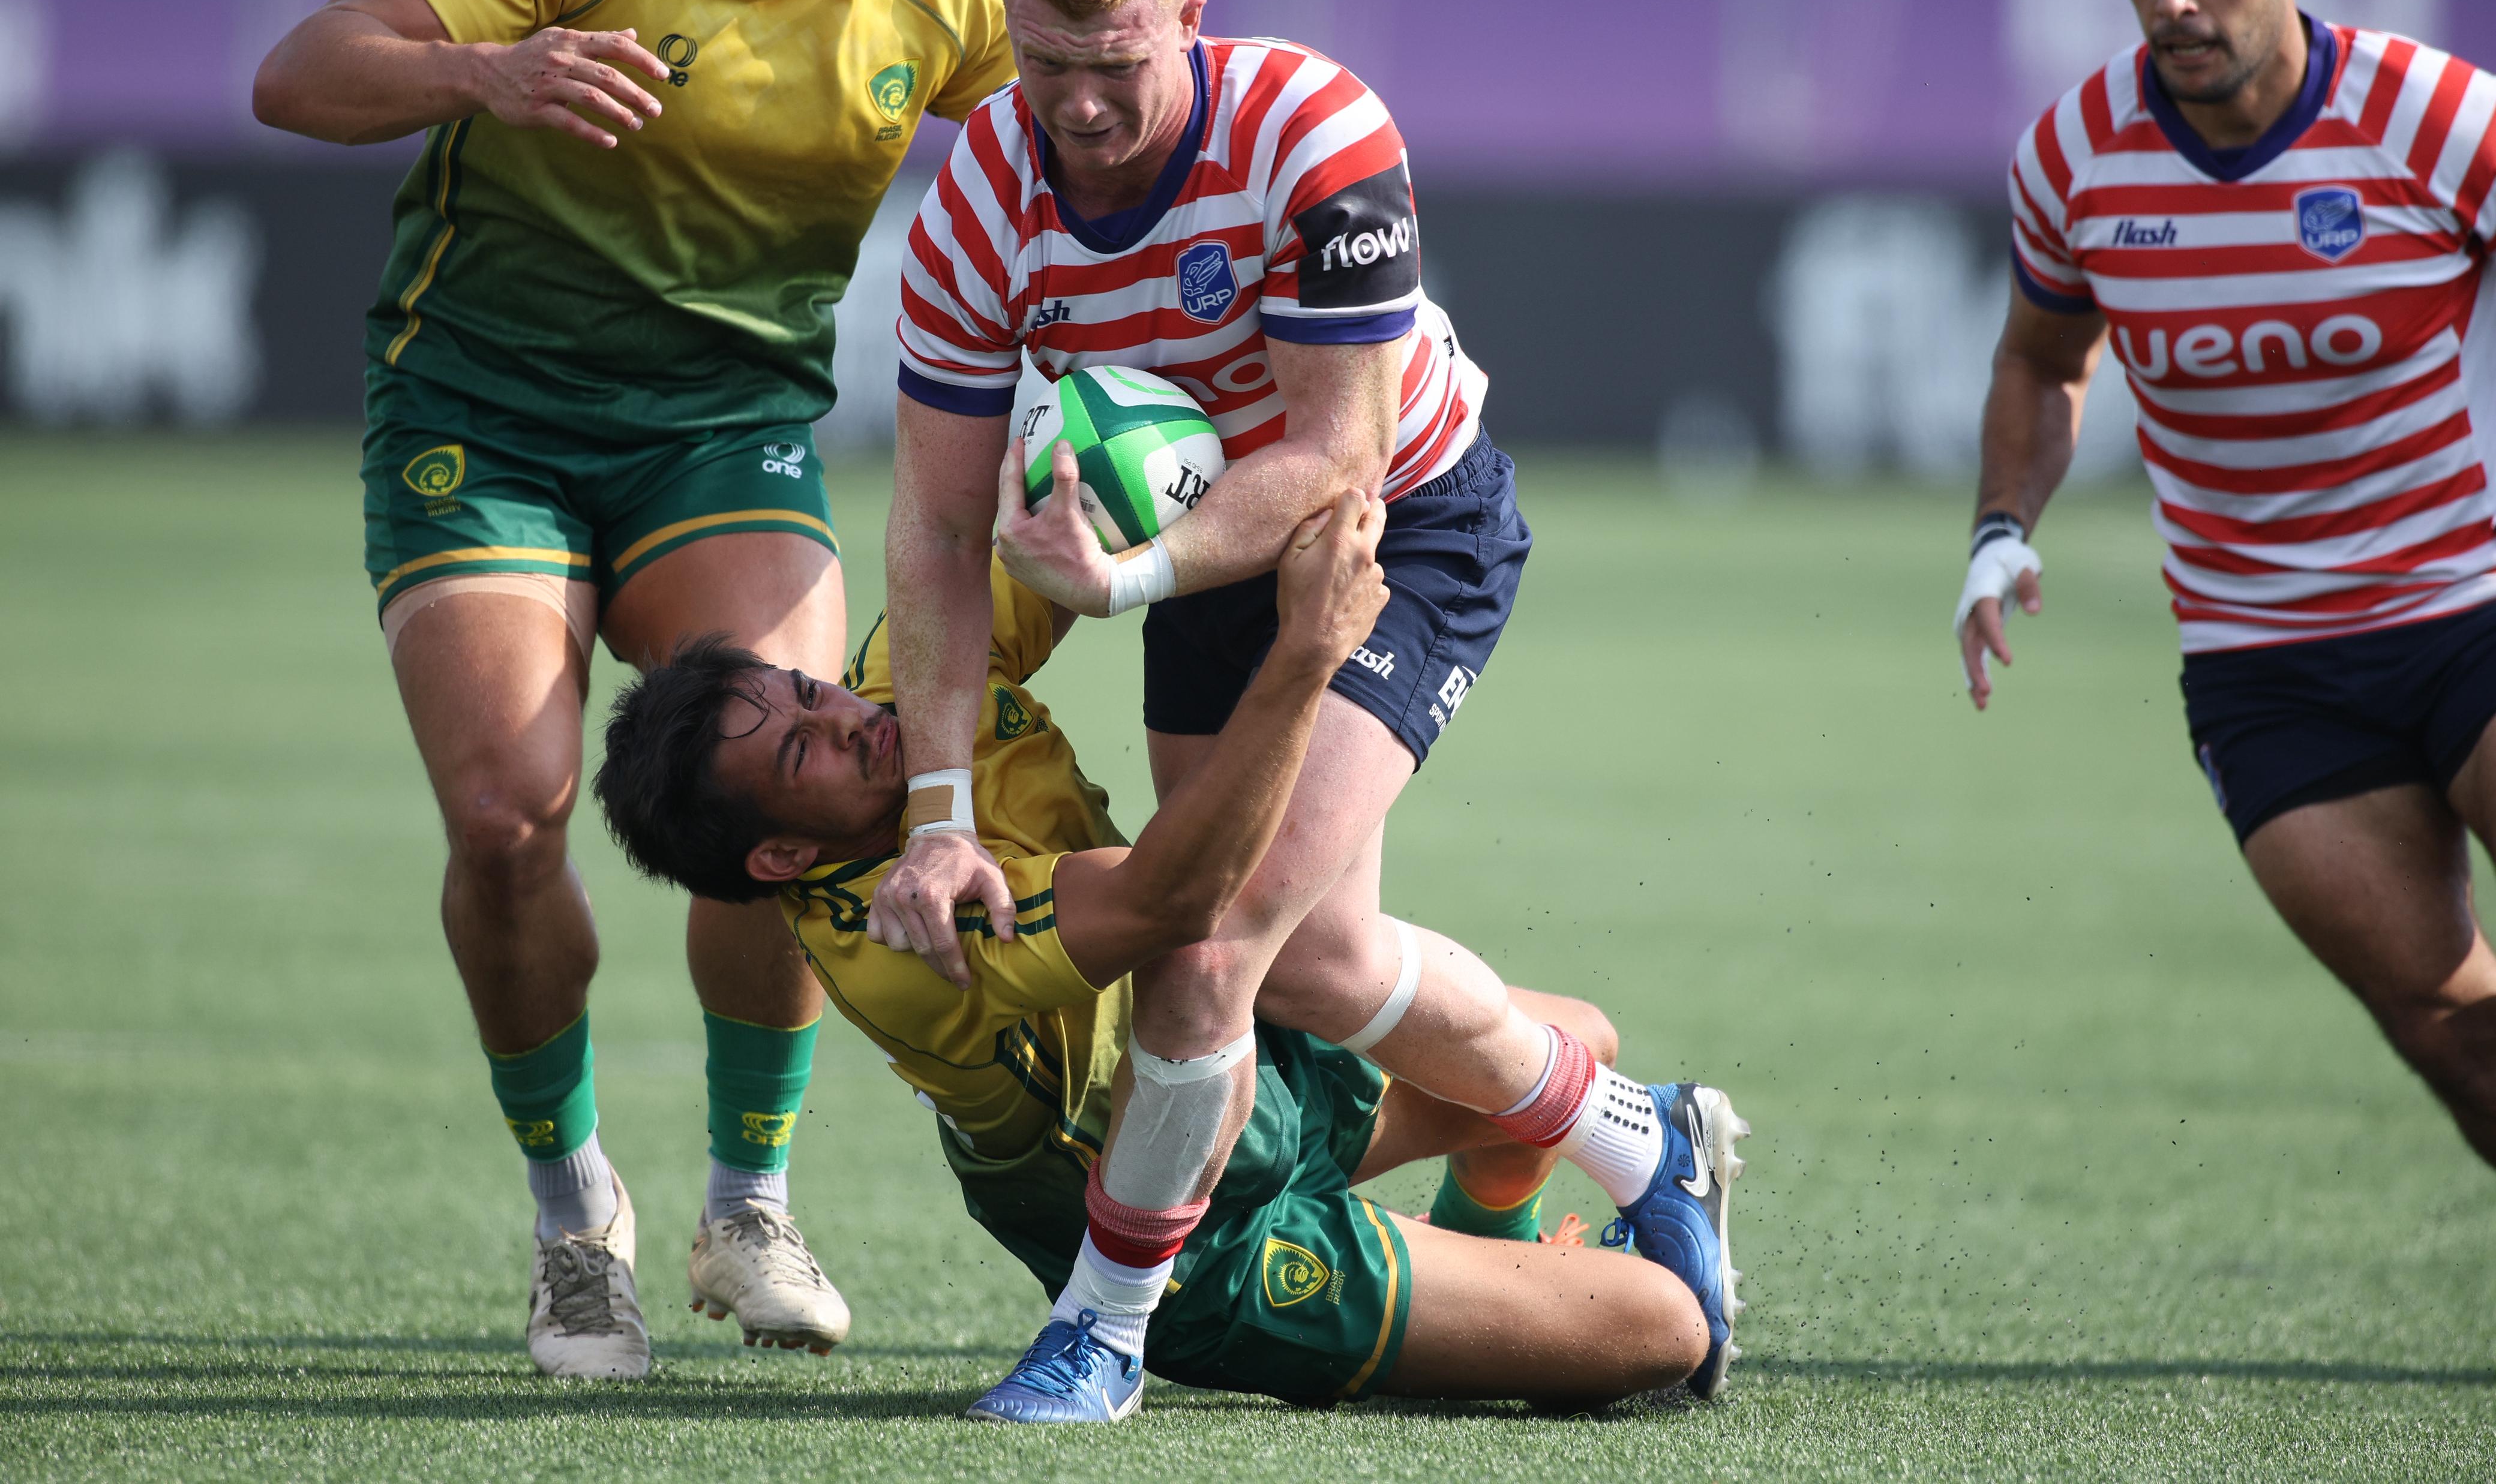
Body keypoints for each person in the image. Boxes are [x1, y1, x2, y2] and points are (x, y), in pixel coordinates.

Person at [863, 0, 1702, 1420]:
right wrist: (936, 813)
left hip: (1399, 527)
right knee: (1321, 960)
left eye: (1114, 67)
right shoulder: (979, 193)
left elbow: (1331, 457)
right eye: (1042, 63)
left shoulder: (1312, 131)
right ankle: (1639, 1133)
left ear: (1191, 13)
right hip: (1200, 571)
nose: (1078, 108)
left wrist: (1115, 581)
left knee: (1213, 941)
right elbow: (929, 524)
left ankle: (1105, 1328)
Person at [250, 0, 1013, 1378]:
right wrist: (487, 72)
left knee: (771, 795)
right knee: (505, 814)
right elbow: (300, 73)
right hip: (486, 410)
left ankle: (749, 1201)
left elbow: (1091, 146)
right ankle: (573, 1213)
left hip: (719, 429)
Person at [592, 494, 1748, 1417]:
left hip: (1251, 1053)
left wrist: (1154, 475)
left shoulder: (910, 680)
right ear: (786, 855)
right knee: (1663, 1333)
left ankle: (1485, 1250)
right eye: (805, 751)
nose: (846, 715)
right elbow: (1177, 896)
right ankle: (1149, 1329)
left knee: (1576, 1043)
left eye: (809, 689)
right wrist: (1305, 653)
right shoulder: (905, 942)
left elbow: (1058, 536)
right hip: (1193, 1233)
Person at [1959, 0, 2496, 1167]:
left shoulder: (2435, 115)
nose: (2172, 1)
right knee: (2445, 1030)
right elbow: (2039, 361)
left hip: (2468, 607)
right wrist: (1995, 530)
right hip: (2267, 671)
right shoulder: (2073, 155)